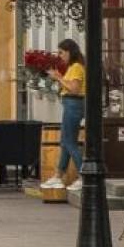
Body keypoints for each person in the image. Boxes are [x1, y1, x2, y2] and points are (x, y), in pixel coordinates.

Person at [42, 38, 85, 191]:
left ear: (69, 51)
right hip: (71, 104)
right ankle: (58, 176)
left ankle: (83, 176)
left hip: (74, 103)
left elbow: (74, 88)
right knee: (65, 142)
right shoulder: (73, 67)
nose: (60, 55)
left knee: (69, 142)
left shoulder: (76, 67)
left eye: (61, 52)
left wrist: (58, 78)